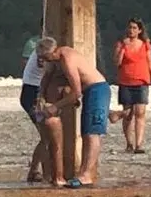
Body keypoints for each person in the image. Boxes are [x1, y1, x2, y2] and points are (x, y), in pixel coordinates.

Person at [36, 36, 111, 188]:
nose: (45, 62)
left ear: (51, 53)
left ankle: (87, 174)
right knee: (85, 133)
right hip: (90, 91)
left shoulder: (66, 59)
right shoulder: (61, 57)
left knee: (92, 133)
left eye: (45, 58)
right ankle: (83, 172)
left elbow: (76, 92)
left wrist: (56, 106)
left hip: (96, 88)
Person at [108, 18, 151, 154]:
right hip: (125, 81)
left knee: (140, 112)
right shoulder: (121, 43)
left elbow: (150, 62)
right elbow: (116, 63)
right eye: (130, 27)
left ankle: (139, 144)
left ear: (140, 30)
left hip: (141, 81)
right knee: (128, 113)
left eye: (134, 28)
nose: (131, 30)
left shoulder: (145, 44)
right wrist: (122, 50)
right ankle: (129, 143)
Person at [19, 42, 50, 182]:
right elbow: (44, 66)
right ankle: (41, 171)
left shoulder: (42, 48)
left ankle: (37, 170)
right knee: (47, 136)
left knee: (47, 135)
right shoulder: (44, 52)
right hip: (33, 92)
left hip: (30, 91)